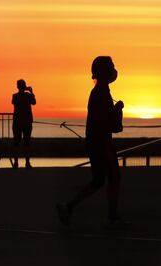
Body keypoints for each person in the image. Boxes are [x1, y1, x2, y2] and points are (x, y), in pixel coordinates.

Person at [56, 56, 129, 228]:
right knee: (114, 177)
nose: (114, 70)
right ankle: (112, 217)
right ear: (105, 72)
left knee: (99, 180)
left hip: (95, 141)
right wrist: (118, 110)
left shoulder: (100, 91)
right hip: (102, 142)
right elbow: (110, 124)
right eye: (111, 67)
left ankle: (68, 207)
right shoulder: (101, 93)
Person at [12, 79, 36, 169]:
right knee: (27, 142)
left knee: (16, 143)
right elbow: (34, 102)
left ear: (17, 86)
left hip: (17, 122)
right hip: (27, 121)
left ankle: (16, 163)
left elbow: (14, 103)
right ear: (24, 86)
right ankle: (27, 163)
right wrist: (31, 92)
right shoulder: (28, 96)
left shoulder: (15, 96)